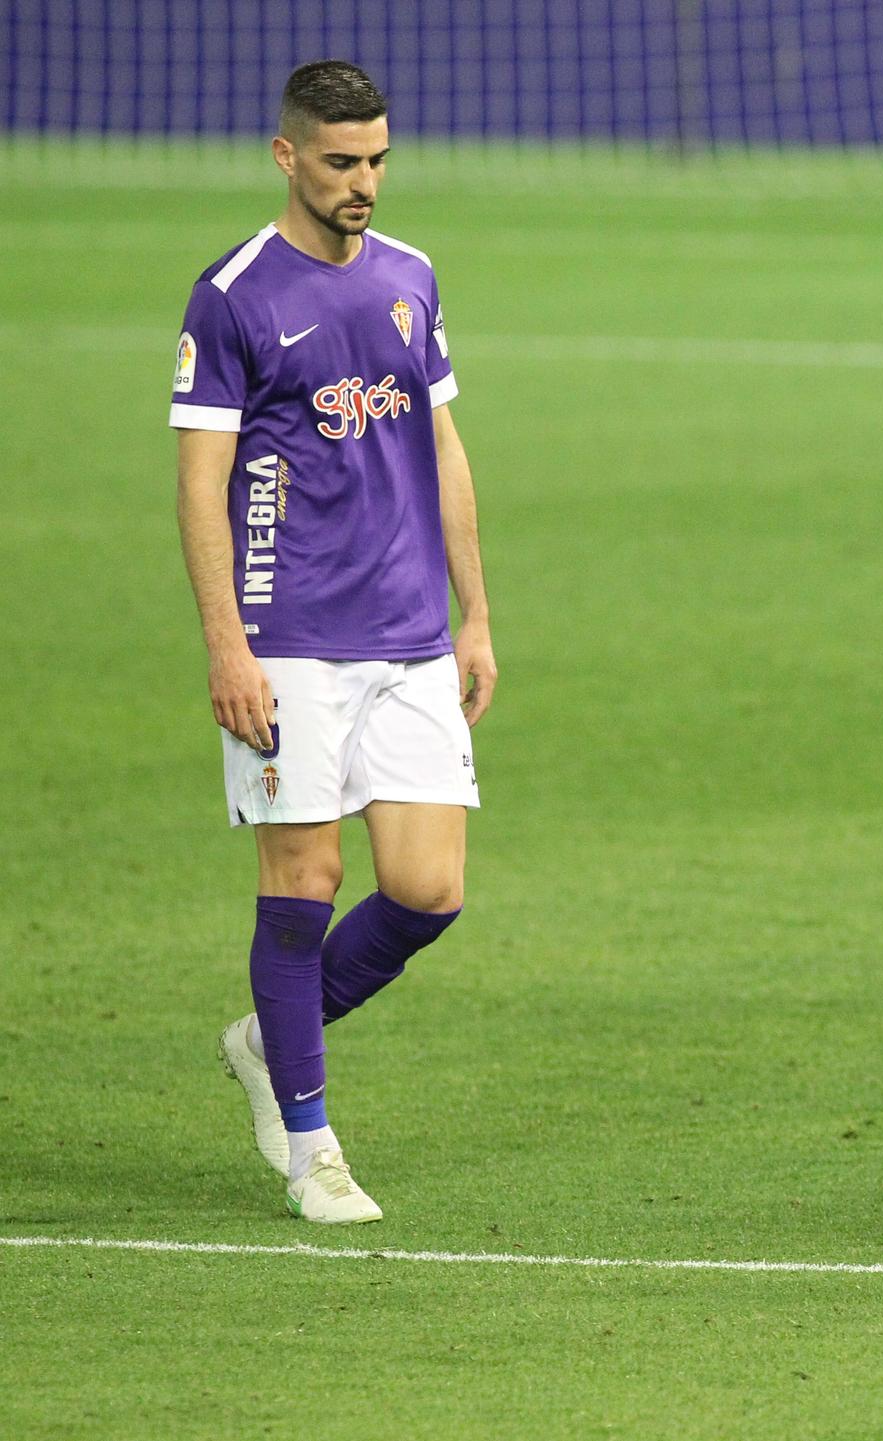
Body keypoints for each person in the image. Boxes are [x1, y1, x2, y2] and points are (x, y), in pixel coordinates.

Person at [171, 60, 497, 1224]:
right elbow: (201, 485)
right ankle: (311, 1147)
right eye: (342, 162)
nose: (364, 182)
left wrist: (476, 612)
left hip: (409, 632)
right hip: (290, 636)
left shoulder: (410, 277)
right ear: (287, 156)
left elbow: (444, 451)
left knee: (427, 890)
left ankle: (270, 1040)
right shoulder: (235, 296)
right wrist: (227, 644)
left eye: (377, 161)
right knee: (303, 883)